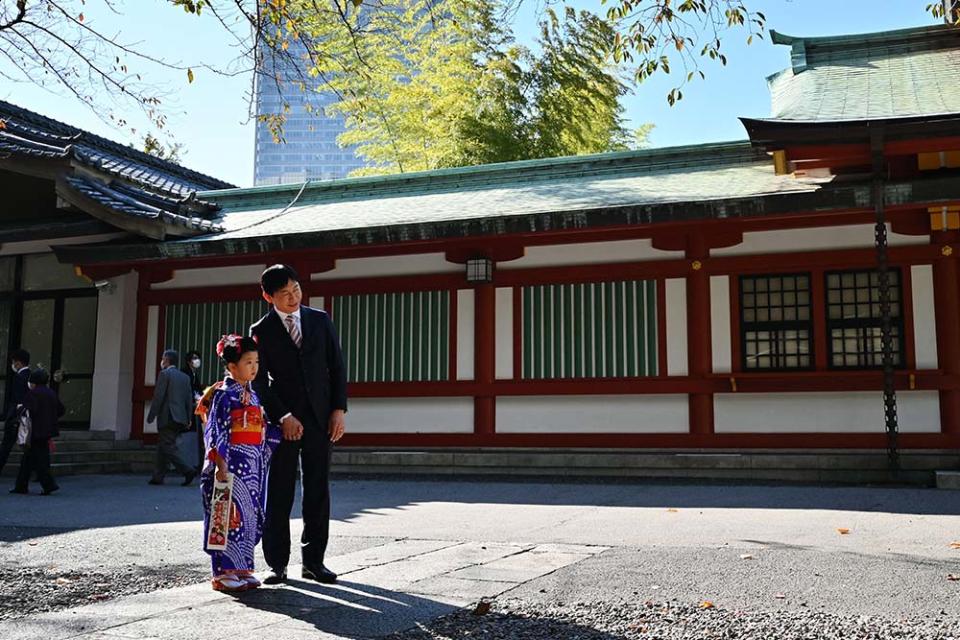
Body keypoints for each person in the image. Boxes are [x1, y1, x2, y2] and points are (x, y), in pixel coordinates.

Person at [251, 264, 347, 585]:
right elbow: (260, 383)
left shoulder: (320, 321)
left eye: (296, 290)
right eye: (284, 294)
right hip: (283, 423)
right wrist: (282, 416)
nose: (293, 298)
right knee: (279, 492)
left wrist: (338, 410)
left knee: (318, 491)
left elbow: (337, 367)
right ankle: (277, 564)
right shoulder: (261, 330)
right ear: (268, 297)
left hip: (321, 418)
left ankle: (314, 562)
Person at [197, 334, 280, 592]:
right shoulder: (223, 395)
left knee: (248, 516)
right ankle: (221, 572)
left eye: (256, 361)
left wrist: (274, 436)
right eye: (248, 362)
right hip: (230, 463)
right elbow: (216, 431)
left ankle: (242, 568)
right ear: (232, 367)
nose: (254, 367)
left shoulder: (253, 396)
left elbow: (261, 431)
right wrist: (219, 463)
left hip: (251, 466)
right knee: (226, 515)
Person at [147, 350, 197, 486]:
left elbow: (158, 397)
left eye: (163, 358)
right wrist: (188, 419)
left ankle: (187, 470)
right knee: (163, 445)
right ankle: (158, 476)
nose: (162, 361)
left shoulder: (165, 374)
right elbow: (188, 400)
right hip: (180, 418)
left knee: (167, 446)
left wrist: (151, 416)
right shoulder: (184, 377)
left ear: (167, 360)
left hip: (167, 416)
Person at [10, 369, 63, 495]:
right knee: (30, 459)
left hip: (35, 431)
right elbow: (61, 409)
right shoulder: (51, 393)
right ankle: (21, 485)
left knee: (38, 460)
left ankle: (47, 484)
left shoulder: (33, 394)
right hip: (47, 430)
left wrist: (19, 409)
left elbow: (28, 410)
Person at [0, 348, 31, 476]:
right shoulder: (31, 375)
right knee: (30, 448)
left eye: (14, 362)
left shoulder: (19, 377)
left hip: (16, 417)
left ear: (18, 363)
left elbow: (17, 399)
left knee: (6, 446)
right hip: (27, 416)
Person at [181, 349, 206, 471]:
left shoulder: (194, 373)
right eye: (194, 358)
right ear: (189, 361)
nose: (197, 360)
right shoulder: (185, 373)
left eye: (198, 357)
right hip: (188, 407)